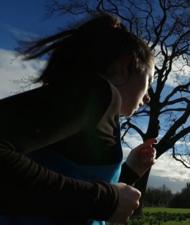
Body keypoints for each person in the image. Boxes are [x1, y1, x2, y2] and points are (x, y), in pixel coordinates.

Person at [0, 13, 156, 225]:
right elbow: (91, 199)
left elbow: (71, 193)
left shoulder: (94, 110)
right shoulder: (98, 94)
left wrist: (129, 171)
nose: (147, 98)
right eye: (149, 82)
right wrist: (106, 201)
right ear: (126, 66)